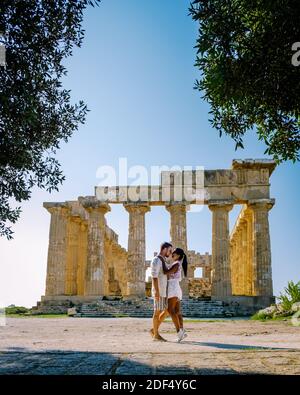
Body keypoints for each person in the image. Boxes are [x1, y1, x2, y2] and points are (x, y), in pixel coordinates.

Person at [150, 242, 178, 341]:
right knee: (157, 312)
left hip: (164, 291)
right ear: (164, 249)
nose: (170, 253)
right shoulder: (156, 260)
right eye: (170, 250)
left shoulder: (163, 261)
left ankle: (154, 330)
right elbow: (154, 276)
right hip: (159, 291)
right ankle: (156, 335)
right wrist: (156, 292)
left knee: (166, 311)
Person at [166, 247, 188, 342]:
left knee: (170, 310)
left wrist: (162, 264)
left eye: (174, 253)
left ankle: (179, 332)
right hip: (176, 287)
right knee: (177, 311)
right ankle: (182, 331)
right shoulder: (179, 264)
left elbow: (166, 272)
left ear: (178, 255)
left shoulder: (176, 264)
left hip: (173, 287)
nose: (172, 254)